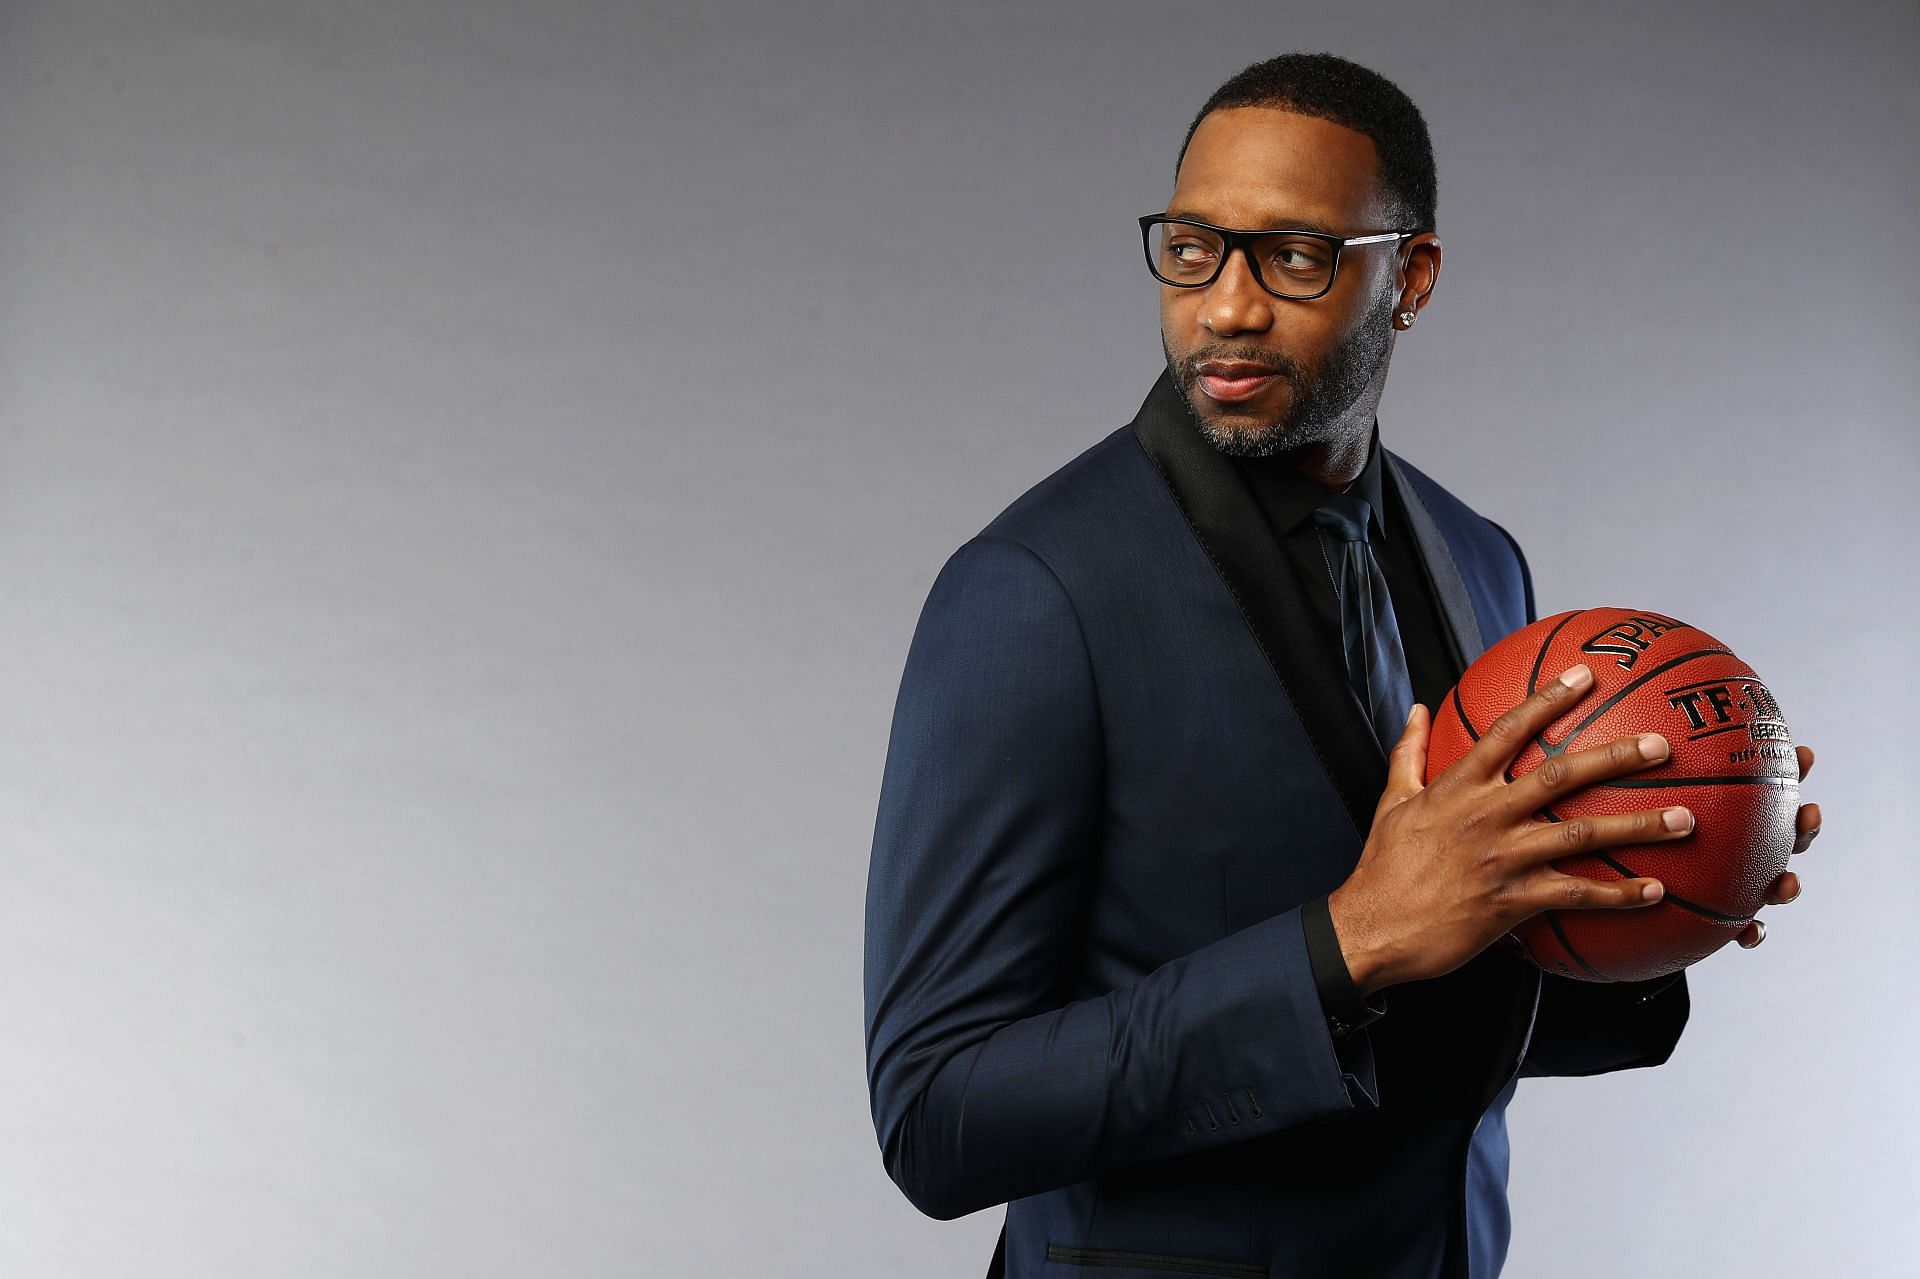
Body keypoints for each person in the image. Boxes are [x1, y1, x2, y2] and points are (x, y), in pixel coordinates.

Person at [862, 52, 1818, 1279]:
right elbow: (937, 1113)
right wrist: (1346, 942)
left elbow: (1441, 1020)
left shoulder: (1483, 560)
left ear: (1408, 278)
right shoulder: (1031, 594)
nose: (1226, 306)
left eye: (1294, 256)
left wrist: (1665, 888)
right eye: (1193, 247)